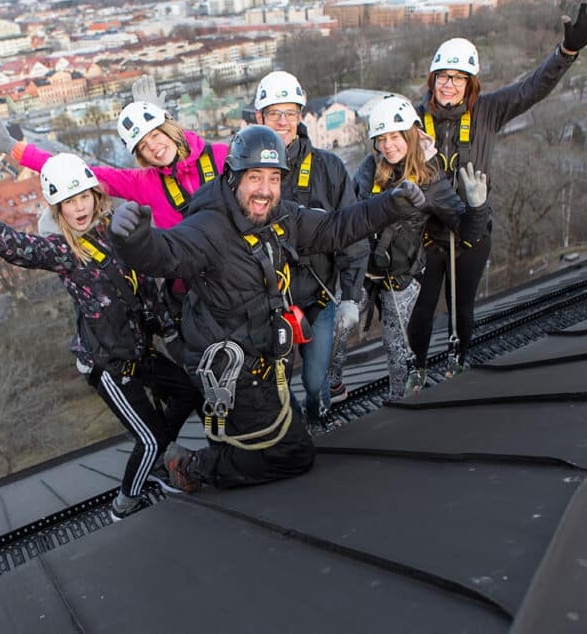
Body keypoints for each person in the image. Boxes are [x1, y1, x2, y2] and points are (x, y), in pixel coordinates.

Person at [107, 125, 425, 492]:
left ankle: (209, 456)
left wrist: (390, 206)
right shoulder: (210, 227)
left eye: (274, 178)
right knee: (293, 454)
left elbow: (335, 227)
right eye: (255, 177)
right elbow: (165, 254)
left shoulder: (279, 218)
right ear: (232, 178)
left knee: (258, 436)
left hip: (260, 358)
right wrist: (132, 241)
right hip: (236, 371)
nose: (265, 189)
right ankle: (193, 467)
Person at [0, 154, 204, 521]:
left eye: (83, 196)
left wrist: (169, 332)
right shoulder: (64, 253)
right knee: (149, 439)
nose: (79, 206)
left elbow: (147, 288)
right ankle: (125, 504)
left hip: (139, 350)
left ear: (96, 197)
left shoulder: (118, 236)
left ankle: (161, 457)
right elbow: (19, 248)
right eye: (69, 202)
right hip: (107, 364)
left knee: (187, 392)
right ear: (58, 210)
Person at [406, 0, 587, 380]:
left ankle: (458, 363)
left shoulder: (488, 111)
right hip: (427, 234)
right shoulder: (413, 120)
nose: (450, 85)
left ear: (470, 85)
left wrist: (567, 51)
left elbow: (532, 88)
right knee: (422, 307)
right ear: (433, 80)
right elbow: (383, 158)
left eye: (459, 78)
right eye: (444, 77)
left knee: (462, 307)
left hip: (471, 229)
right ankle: (417, 369)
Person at [348, 95, 490, 398]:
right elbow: (350, 213)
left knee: (398, 350)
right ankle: (327, 394)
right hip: (363, 270)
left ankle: (402, 405)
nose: (388, 146)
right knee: (336, 327)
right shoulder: (368, 169)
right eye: (381, 139)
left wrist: (477, 207)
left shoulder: (431, 180)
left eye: (395, 137)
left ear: (410, 135)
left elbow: (463, 229)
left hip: (400, 277)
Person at [252, 70, 367, 427]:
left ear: (301, 115)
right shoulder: (248, 175)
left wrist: (350, 294)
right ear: (260, 118)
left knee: (316, 382)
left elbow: (351, 234)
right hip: (271, 305)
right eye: (274, 113)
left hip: (317, 299)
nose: (283, 121)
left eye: (290, 112)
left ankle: (318, 417)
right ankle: (295, 431)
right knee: (275, 388)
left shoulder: (328, 168)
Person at [0, 76, 228, 229]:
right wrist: (13, 147)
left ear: (170, 128)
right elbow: (73, 171)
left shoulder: (219, 156)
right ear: (141, 156)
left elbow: (263, 160)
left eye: (156, 135)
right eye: (144, 146)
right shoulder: (144, 183)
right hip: (194, 285)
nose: (154, 148)